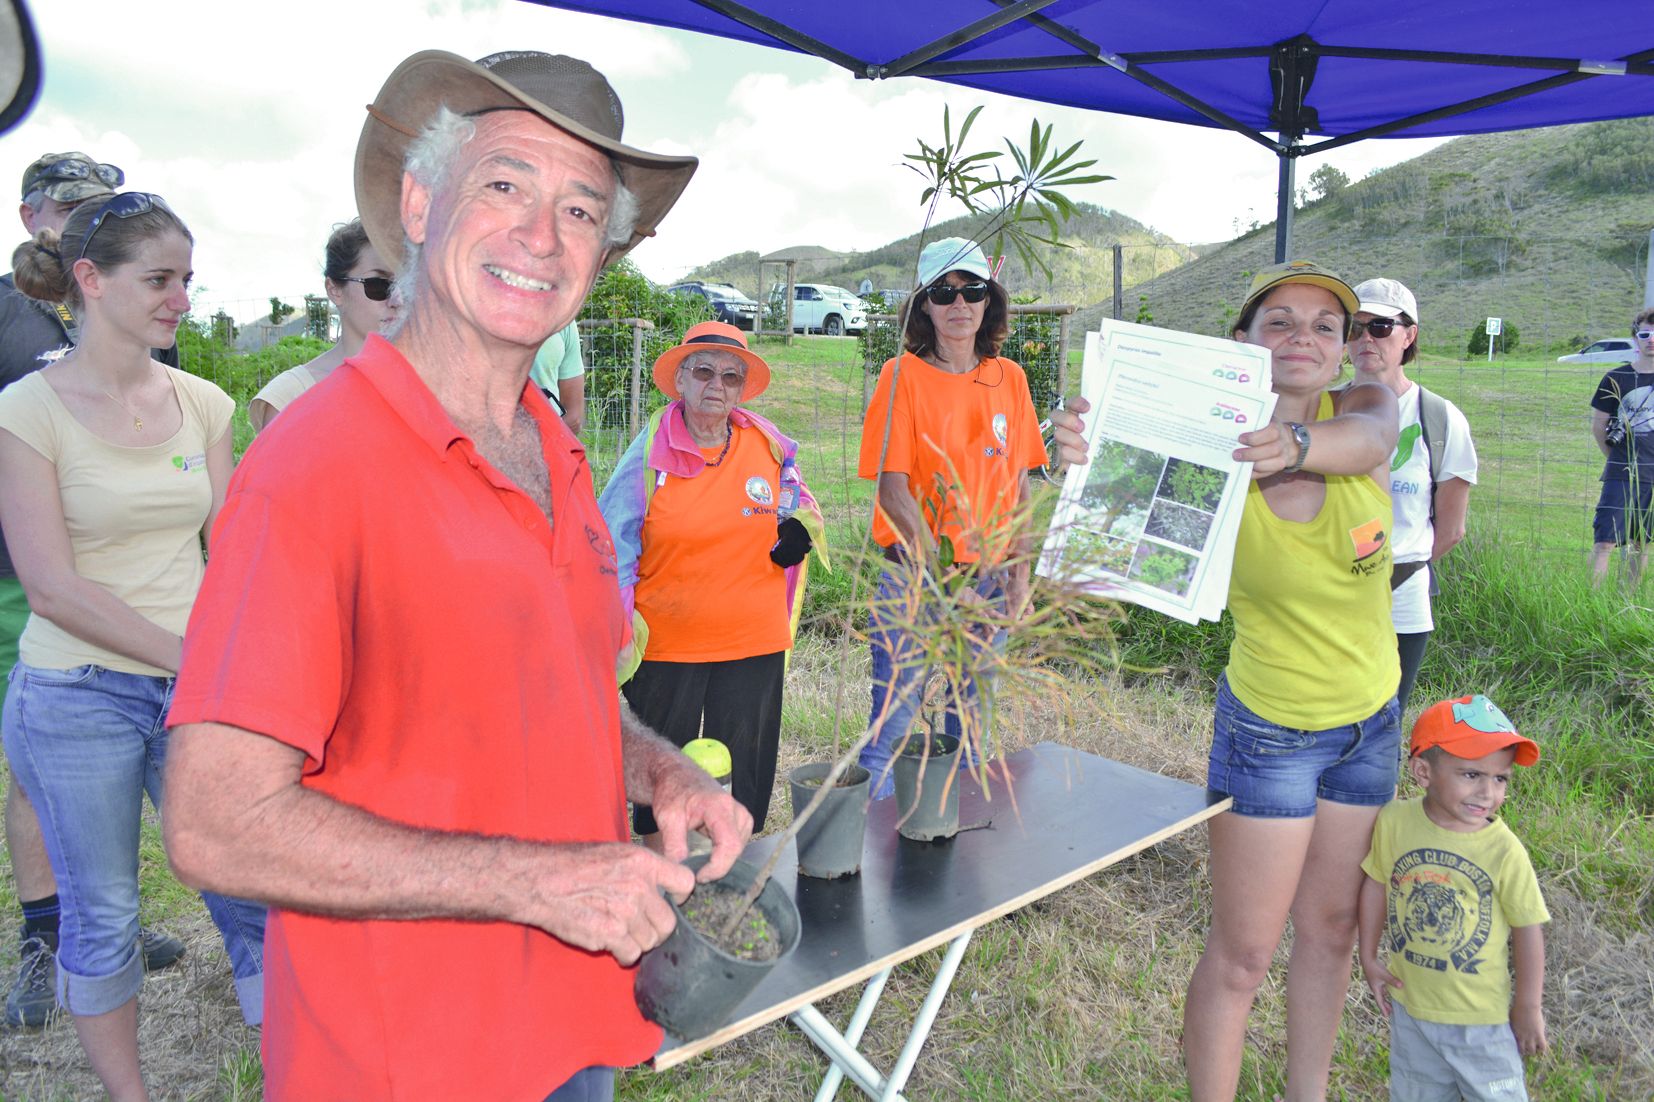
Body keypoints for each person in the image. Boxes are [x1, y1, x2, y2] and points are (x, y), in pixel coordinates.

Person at [161, 49, 748, 1101]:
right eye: (505, 184)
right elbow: (215, 823)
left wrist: (662, 773)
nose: (542, 235)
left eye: (581, 210)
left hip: (574, 1023)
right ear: (421, 204)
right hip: (406, 1057)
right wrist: (539, 881)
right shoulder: (316, 464)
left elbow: (563, 688)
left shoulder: (556, 451)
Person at [0, 192, 267, 1097]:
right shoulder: (27, 412)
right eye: (159, 280)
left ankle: (294, 1071)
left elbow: (232, 552)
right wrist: (190, 657)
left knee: (248, 890)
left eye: (186, 279)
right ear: (90, 279)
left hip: (193, 691)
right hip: (75, 694)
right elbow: (50, 585)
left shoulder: (203, 402)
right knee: (105, 912)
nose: (182, 300)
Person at [1182, 261, 1402, 1102]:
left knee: (1332, 929)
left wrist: (1297, 443)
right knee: (1243, 956)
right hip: (1269, 733)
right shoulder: (1208, 446)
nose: (1303, 338)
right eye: (1279, 321)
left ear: (1345, 349)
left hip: (1369, 726)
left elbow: (1372, 440)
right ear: (1242, 340)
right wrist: (1082, 453)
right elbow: (1113, 525)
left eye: (1325, 325)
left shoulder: (1365, 407)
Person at [0, 152, 187, 1028]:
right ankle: (48, 934)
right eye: (71, 205)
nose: (81, 217)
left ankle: (107, 920)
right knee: (37, 770)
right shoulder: (5, 311)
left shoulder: (144, 317)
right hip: (23, 577)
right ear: (32, 214)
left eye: (99, 205)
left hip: (136, 588)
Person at [854, 237, 1087, 798]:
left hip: (989, 582)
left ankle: (958, 841)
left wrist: (1019, 579)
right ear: (924, 305)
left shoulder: (1010, 379)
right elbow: (892, 491)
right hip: (916, 580)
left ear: (990, 300)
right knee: (892, 731)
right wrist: (943, 579)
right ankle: (871, 844)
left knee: (973, 734)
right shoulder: (900, 377)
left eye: (972, 290)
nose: (959, 303)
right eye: (943, 292)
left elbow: (1019, 487)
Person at [600, 320, 827, 841]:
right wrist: (614, 628)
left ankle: (733, 874)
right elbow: (610, 541)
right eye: (703, 372)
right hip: (668, 646)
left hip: (753, 641)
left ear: (742, 389)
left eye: (730, 377)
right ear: (680, 380)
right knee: (664, 782)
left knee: (742, 784)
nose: (716, 385)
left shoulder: (768, 445)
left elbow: (798, 499)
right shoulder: (649, 452)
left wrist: (797, 527)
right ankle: (667, 877)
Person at [1359, 694, 1549, 1101]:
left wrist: (1528, 1006)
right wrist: (1368, 956)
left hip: (1480, 1020)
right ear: (1423, 771)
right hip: (1411, 1010)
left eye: (1500, 779)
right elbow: (1376, 883)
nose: (1487, 792)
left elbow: (1527, 927)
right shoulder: (1395, 821)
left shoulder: (1504, 850)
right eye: (1472, 775)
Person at [1347, 277, 1478, 714]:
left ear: (1409, 335)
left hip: (1402, 596)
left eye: (1380, 327)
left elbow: (1452, 529)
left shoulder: (1439, 418)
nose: (1365, 338)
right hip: (1327, 590)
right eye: (1354, 327)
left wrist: (1395, 567)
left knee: (1385, 719)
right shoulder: (1323, 408)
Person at [248, 218, 398, 433]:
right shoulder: (292, 396)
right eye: (379, 285)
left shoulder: (431, 383)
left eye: (406, 284)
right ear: (334, 290)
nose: (397, 299)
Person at [1588, 307, 1654, 586]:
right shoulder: (1615, 378)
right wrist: (1616, 458)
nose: (1651, 340)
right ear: (1635, 338)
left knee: (1641, 543)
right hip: (1621, 471)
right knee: (1605, 541)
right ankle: (1591, 601)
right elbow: (1599, 426)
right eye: (1645, 334)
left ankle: (1630, 601)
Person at [532, 321, 587, 433]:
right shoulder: (563, 320)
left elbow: (573, 417)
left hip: (548, 436)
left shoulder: (565, 322)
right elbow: (574, 416)